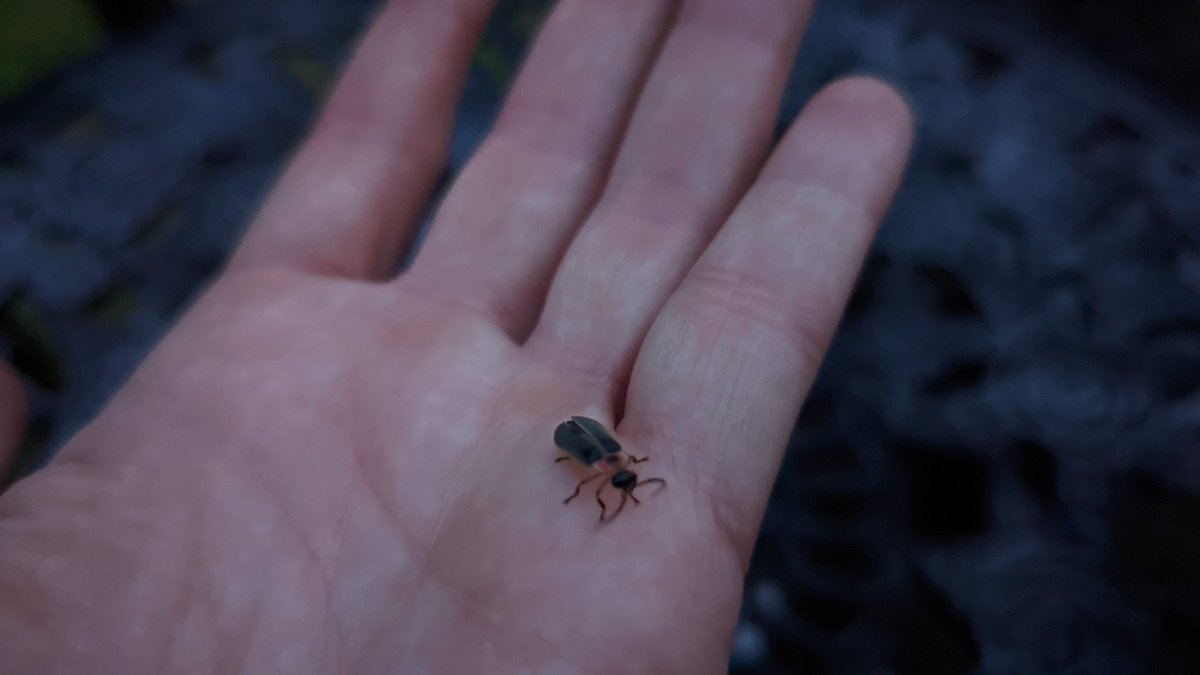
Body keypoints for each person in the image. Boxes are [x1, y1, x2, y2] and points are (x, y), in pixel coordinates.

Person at [0, 1, 912, 672]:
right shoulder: (597, 465)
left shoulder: (600, 469)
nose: (623, 480)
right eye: (624, 478)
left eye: (622, 479)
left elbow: (582, 463)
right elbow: (579, 458)